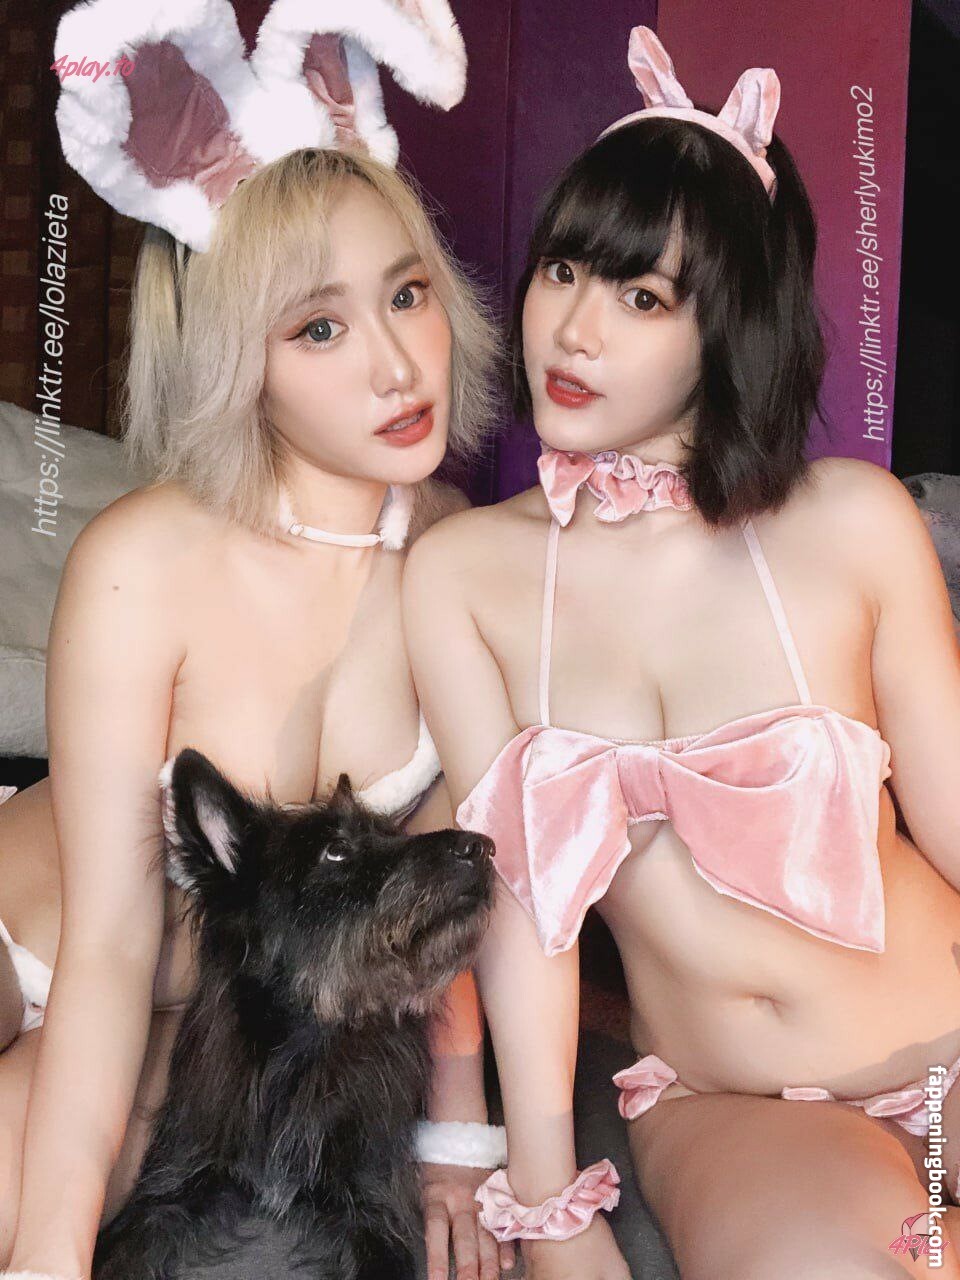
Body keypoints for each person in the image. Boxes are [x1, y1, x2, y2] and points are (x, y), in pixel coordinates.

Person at [404, 25, 960, 1280]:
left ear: (729, 326)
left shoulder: (853, 523)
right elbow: (520, 905)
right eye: (563, 270)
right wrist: (548, 1201)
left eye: (642, 297)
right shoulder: (466, 575)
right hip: (739, 1105)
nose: (574, 330)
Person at [0, 144, 515, 1280]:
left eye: (407, 294)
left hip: (178, 1025)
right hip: (42, 934)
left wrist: (457, 1140)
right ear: (238, 361)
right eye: (319, 328)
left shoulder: (454, 551)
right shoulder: (143, 561)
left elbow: (444, 884)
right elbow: (108, 944)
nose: (397, 366)